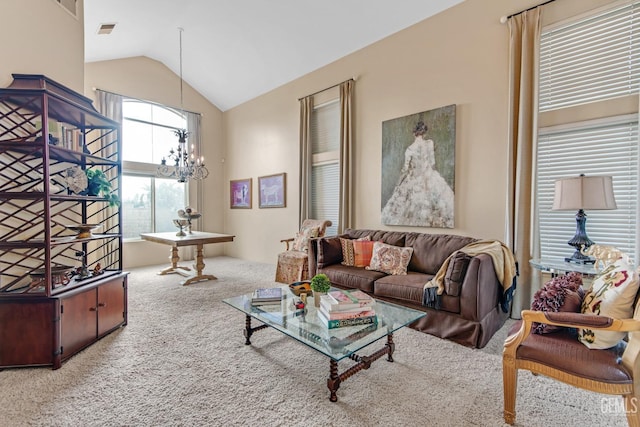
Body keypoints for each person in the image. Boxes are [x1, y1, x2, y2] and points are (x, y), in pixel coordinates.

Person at [381, 121, 454, 227]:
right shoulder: (429, 143)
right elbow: (433, 164)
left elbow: (405, 169)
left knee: (407, 210)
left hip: (414, 179)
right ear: (424, 133)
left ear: (414, 133)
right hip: (429, 176)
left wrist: (399, 184)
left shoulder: (409, 149)